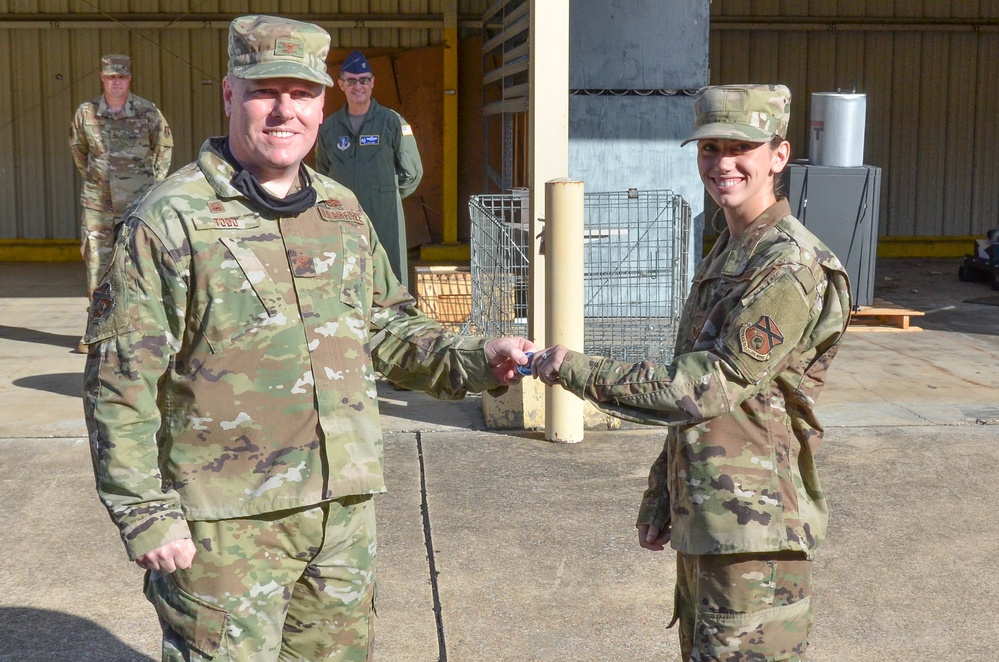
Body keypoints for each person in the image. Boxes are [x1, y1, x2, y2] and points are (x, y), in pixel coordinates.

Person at [82, 15, 535, 661]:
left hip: (342, 514)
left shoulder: (341, 211)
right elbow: (120, 382)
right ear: (231, 95)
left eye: (302, 94)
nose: (283, 111)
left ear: (323, 105)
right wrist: (144, 511)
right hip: (223, 524)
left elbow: (386, 330)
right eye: (266, 91)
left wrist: (475, 357)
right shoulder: (168, 220)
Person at [530, 84, 852, 661]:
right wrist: (664, 497)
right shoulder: (730, 251)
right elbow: (699, 414)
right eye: (708, 149)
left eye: (740, 149)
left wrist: (575, 369)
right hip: (711, 518)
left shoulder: (788, 264)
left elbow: (706, 385)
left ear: (778, 155)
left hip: (755, 535)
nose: (722, 163)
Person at [315, 49, 423, 288]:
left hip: (383, 214)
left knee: (389, 275)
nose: (358, 86)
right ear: (341, 84)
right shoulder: (329, 128)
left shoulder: (393, 122)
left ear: (372, 82)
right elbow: (322, 174)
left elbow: (411, 173)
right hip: (341, 215)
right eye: (351, 81)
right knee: (344, 273)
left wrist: (387, 195)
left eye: (364, 80)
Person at [69, 54, 172, 302]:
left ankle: (136, 331)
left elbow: (163, 149)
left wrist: (148, 186)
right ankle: (96, 332)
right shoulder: (86, 113)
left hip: (137, 205)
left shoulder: (148, 111)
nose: (117, 82)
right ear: (102, 78)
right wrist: (98, 179)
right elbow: (78, 150)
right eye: (111, 77)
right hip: (98, 205)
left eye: (122, 77)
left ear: (130, 79)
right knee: (97, 264)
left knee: (138, 261)